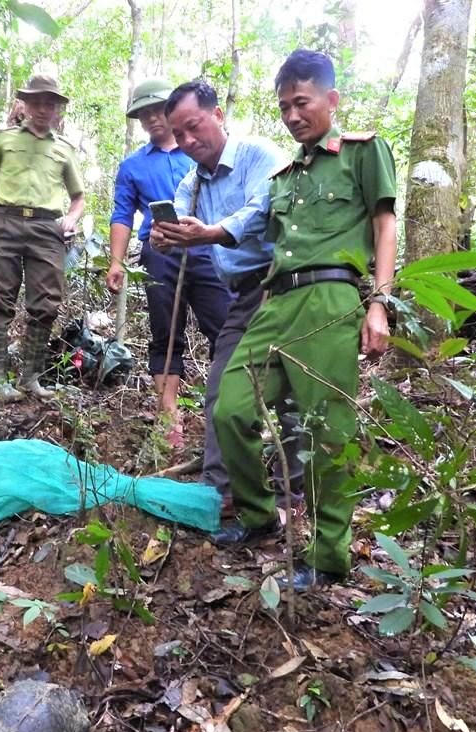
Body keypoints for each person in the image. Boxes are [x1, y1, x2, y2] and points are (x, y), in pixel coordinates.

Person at [211, 49, 396, 589]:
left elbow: (385, 226)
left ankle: (329, 553)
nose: (293, 115)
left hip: (330, 299)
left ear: (330, 100)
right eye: (285, 106)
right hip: (276, 302)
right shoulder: (283, 176)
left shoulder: (363, 153)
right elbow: (258, 234)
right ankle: (258, 513)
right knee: (230, 409)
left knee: (326, 430)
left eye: (302, 102)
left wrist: (379, 302)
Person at [150, 80, 303, 519]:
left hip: (285, 285)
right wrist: (166, 235)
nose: (188, 141)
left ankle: (294, 491)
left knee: (288, 390)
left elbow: (265, 205)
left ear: (218, 116)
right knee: (222, 390)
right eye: (179, 135)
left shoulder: (261, 155)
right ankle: (219, 493)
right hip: (241, 294)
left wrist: (215, 232)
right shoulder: (193, 183)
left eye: (194, 127)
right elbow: (178, 216)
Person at [106, 78, 232, 446]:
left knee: (225, 327)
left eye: (156, 110)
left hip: (209, 250)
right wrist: (116, 262)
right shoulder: (133, 167)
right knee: (165, 331)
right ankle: (169, 416)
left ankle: (225, 411)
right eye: (143, 115)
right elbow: (122, 214)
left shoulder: (201, 151)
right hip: (161, 254)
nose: (151, 119)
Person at [0, 75, 85, 402]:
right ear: (25, 105)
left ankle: (31, 378)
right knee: (0, 300)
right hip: (6, 222)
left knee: (45, 304)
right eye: (37, 102)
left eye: (50, 104)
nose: (43, 109)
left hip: (47, 230)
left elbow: (78, 198)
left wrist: (70, 220)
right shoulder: (4, 140)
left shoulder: (64, 150)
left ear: (57, 109)